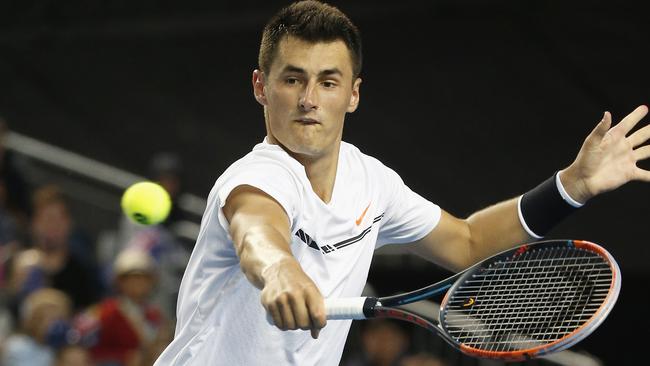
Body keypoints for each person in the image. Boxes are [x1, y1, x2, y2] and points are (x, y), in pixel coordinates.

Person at [154, 1, 650, 365]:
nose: (309, 99)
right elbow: (256, 231)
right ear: (261, 86)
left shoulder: (371, 183)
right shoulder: (255, 176)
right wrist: (281, 270)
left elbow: (469, 243)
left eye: (328, 81)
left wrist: (572, 186)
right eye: (292, 79)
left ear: (353, 94)